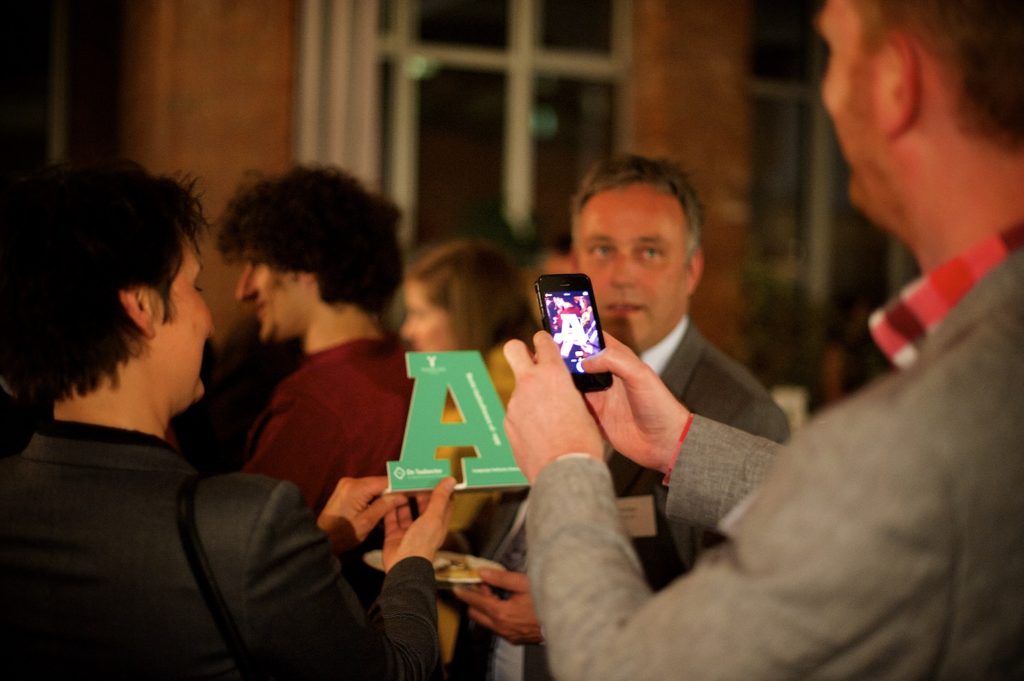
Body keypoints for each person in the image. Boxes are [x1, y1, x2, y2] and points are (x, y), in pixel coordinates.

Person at [500, 0, 1024, 678]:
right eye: (601, 248)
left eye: (831, 54)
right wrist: (683, 444)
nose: (826, 95)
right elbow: (863, 514)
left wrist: (568, 467)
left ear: (898, 83)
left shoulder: (922, 425)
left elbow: (622, 668)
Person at [0, 162, 455, 679]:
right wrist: (411, 565)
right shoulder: (245, 522)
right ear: (143, 308)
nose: (211, 316)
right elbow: (395, 672)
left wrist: (313, 544)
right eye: (194, 286)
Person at [450, 156, 790, 681]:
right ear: (575, 258)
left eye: (649, 252)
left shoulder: (741, 413)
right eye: (602, 250)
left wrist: (572, 610)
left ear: (692, 270)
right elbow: (512, 521)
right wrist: (444, 548)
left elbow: (743, 619)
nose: (621, 275)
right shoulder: (550, 375)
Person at [218, 165, 412, 606]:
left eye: (258, 263)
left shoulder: (317, 402)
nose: (244, 288)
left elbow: (247, 553)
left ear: (304, 265)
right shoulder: (408, 368)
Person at [401, 238, 537, 668]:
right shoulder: (468, 386)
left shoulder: (495, 394)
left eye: (420, 312)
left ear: (464, 314)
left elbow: (453, 523)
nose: (407, 329)